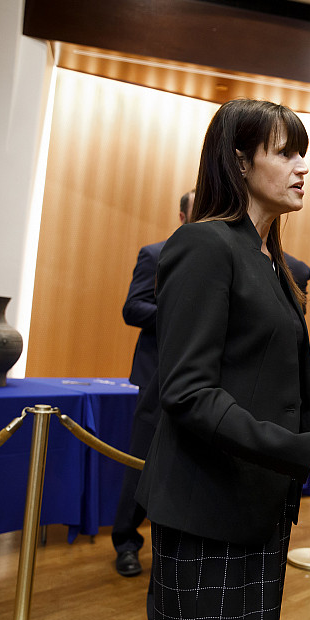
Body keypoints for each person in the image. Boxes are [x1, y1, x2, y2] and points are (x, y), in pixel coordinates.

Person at [135, 98, 310, 620]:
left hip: (254, 506)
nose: (303, 167)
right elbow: (189, 392)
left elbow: (267, 381)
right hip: (209, 510)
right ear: (240, 162)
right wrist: (300, 451)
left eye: (304, 154)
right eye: (286, 153)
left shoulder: (269, 257)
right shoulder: (204, 244)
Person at [112, 189, 193, 579]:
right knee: (141, 464)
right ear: (182, 215)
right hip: (155, 376)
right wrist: (179, 315)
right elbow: (133, 307)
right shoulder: (155, 253)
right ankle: (126, 543)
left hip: (197, 379)